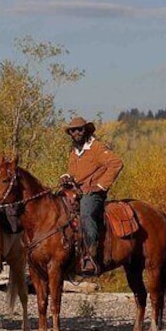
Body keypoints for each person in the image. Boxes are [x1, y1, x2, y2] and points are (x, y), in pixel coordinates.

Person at [60, 116, 124, 276]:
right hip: (76, 191)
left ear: (86, 130)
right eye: (73, 130)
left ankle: (90, 256)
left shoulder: (97, 147)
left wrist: (99, 186)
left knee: (86, 214)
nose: (76, 133)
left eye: (79, 129)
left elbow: (116, 163)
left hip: (93, 193)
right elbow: (73, 172)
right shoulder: (74, 151)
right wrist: (66, 176)